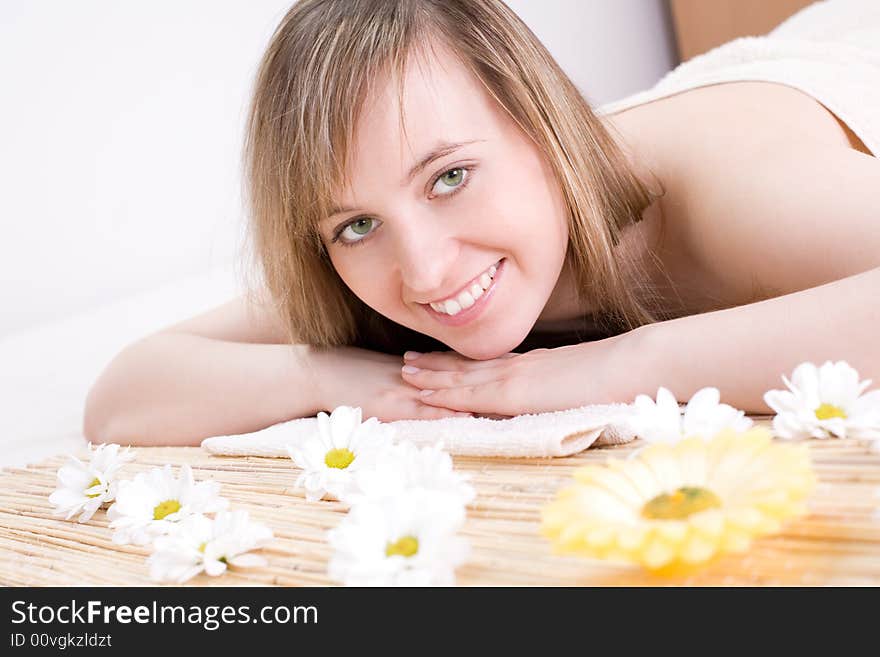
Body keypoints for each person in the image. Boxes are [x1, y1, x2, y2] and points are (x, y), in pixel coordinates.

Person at [84, 0, 880, 446]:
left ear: (542, 124)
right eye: (356, 224)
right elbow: (125, 392)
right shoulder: (367, 262)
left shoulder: (732, 195)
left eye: (450, 178)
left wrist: (600, 368)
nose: (426, 273)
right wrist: (339, 377)